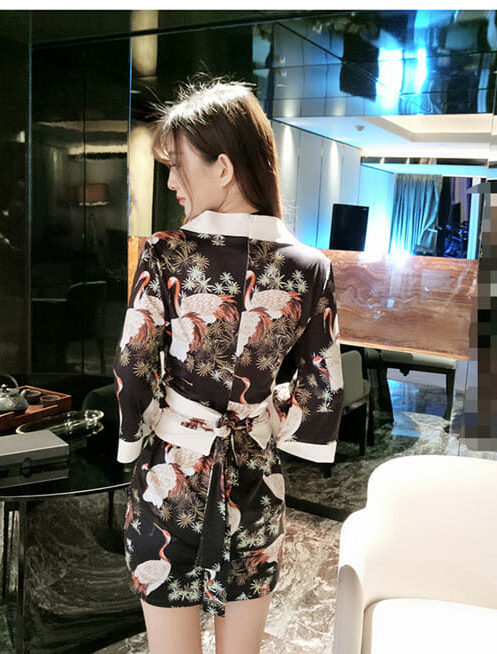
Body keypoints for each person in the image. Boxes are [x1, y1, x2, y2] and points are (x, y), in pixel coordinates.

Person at [113, 79, 343, 654]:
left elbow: (135, 367)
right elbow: (322, 386)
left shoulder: (165, 252)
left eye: (177, 165)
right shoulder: (310, 267)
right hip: (256, 481)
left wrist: (140, 433)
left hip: (170, 479)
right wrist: (263, 416)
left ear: (222, 168)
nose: (171, 181)